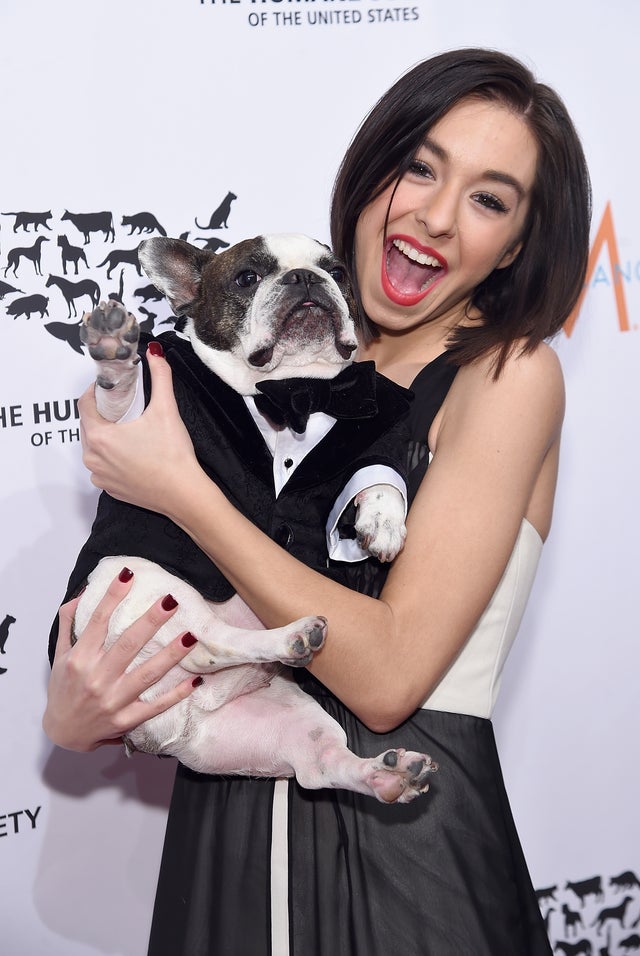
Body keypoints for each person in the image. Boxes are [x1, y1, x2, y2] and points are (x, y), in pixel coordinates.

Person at [43, 48, 591, 955]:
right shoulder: (258, 368)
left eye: (490, 200)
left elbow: (386, 679)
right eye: (421, 165)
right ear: (376, 163)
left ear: (519, 246)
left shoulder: (508, 375)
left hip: (401, 854)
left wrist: (180, 487)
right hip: (223, 835)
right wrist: (77, 710)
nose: (437, 216)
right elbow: (132, 590)